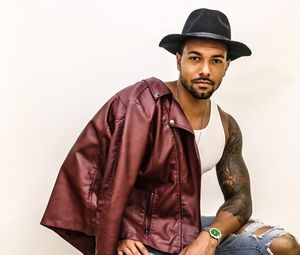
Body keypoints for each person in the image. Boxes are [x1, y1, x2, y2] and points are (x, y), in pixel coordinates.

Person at [41, 8, 300, 255]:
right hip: (139, 238)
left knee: (283, 246)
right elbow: (89, 175)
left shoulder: (225, 126)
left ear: (226, 66)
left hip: (187, 228)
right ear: (179, 60)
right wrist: (117, 232)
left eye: (216, 60)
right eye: (195, 58)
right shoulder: (141, 104)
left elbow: (240, 198)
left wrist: (209, 237)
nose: (205, 70)